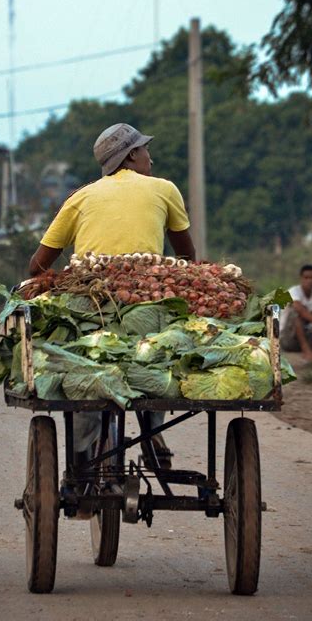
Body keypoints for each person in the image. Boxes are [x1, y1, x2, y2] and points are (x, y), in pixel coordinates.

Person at [28, 122, 196, 466]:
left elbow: (38, 265)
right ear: (132, 155)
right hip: (146, 298)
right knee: (157, 351)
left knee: (82, 361)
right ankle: (153, 429)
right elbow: (187, 257)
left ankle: (81, 459)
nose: (151, 156)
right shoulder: (164, 189)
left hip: (89, 304)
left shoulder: (81, 197)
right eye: (145, 149)